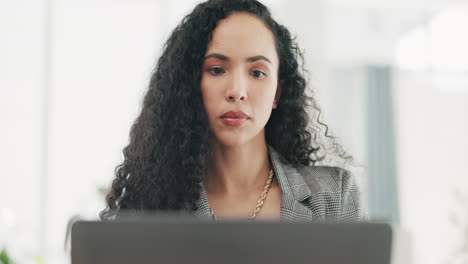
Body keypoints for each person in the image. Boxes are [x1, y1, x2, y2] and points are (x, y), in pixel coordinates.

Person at [100, 0, 366, 222]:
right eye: (217, 69)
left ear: (277, 92)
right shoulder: (153, 206)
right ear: (190, 84)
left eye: (257, 73)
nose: (237, 91)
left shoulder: (333, 196)